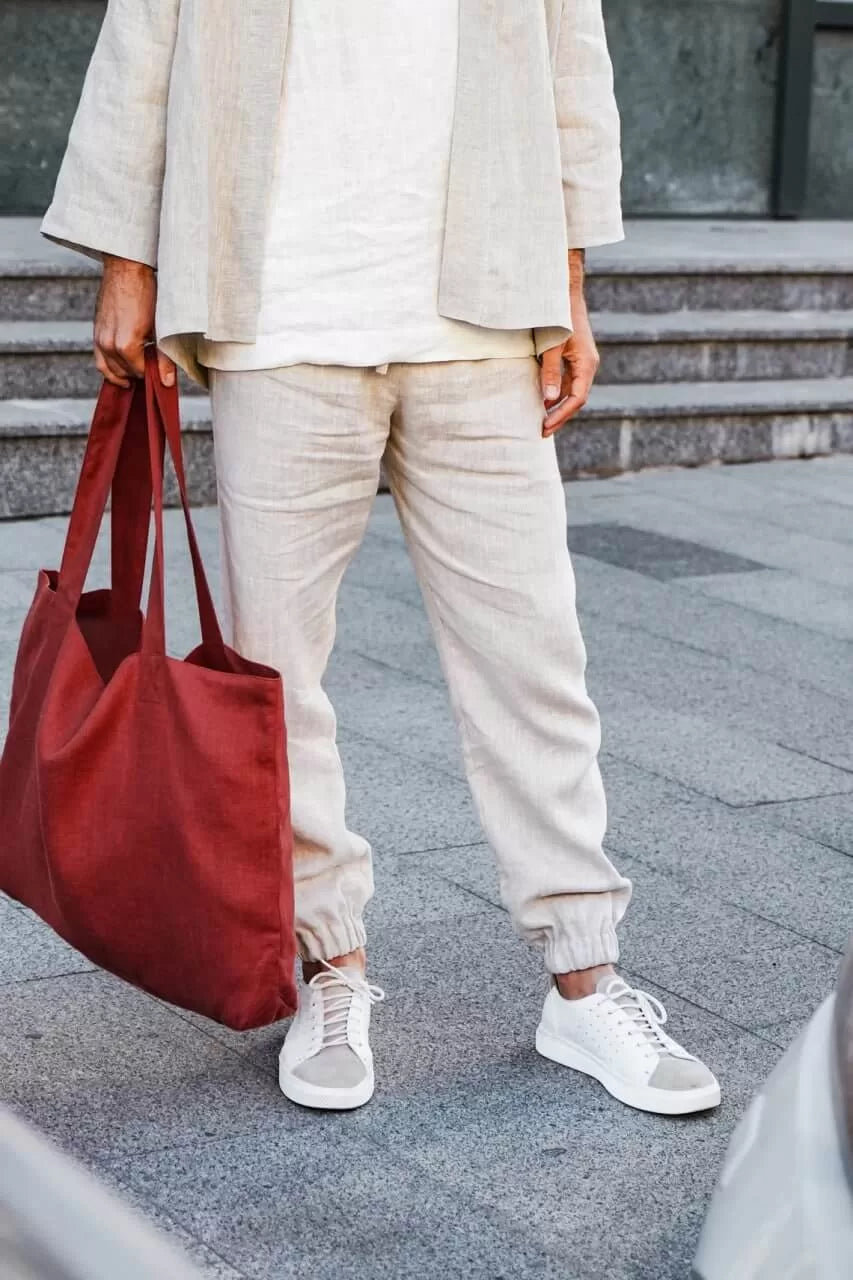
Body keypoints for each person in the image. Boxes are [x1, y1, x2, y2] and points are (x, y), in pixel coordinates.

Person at [42, 0, 720, 1116]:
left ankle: (584, 974)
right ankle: (331, 964)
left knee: (532, 658)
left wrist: (570, 285)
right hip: (278, 314)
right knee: (275, 677)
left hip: (482, 315)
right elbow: (145, 38)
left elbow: (569, 68)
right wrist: (128, 255)